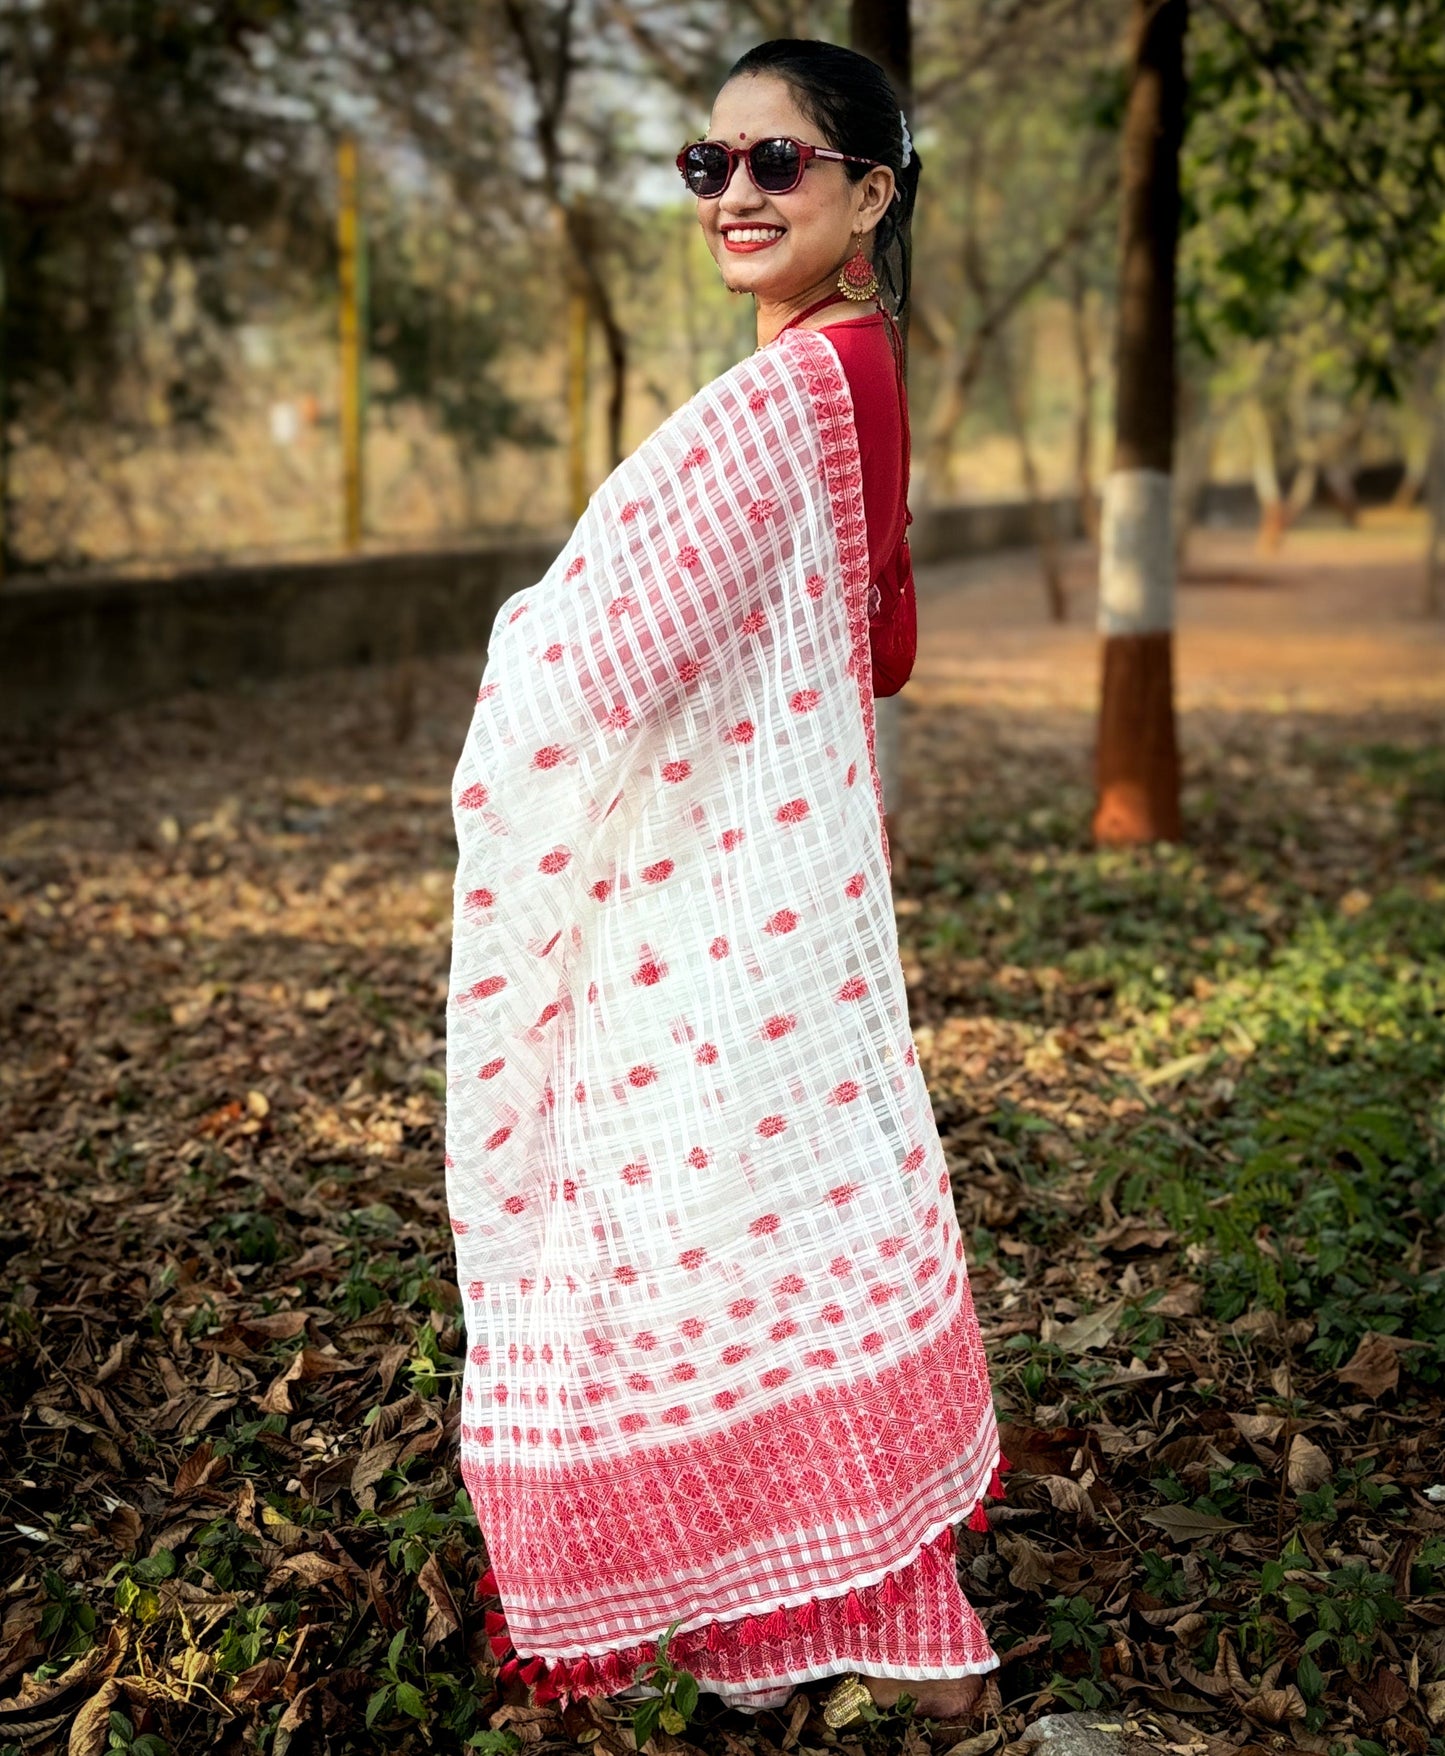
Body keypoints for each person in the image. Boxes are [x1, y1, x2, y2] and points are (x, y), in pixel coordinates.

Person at [445, 37, 1006, 1724]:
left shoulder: (792, 392)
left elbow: (592, 669)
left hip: (727, 904)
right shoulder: (853, 367)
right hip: (778, 890)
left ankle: (784, 1607)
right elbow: (882, 641)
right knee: (775, 1218)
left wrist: (524, 639)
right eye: (709, 165)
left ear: (869, 192)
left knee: (685, 1222)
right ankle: (806, 1598)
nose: (734, 195)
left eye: (777, 163)